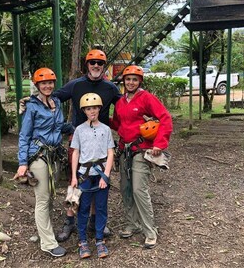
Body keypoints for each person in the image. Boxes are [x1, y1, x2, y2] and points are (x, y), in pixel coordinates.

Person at [52, 49, 121, 242]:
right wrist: (34, 101)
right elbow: (54, 98)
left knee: (97, 180)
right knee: (74, 180)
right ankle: (69, 221)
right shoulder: (76, 85)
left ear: (104, 65)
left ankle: (94, 221)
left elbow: (125, 105)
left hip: (101, 141)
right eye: (93, 62)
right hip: (78, 138)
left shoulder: (110, 88)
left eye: (100, 63)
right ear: (87, 65)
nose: (96, 66)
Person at [110, 65, 173, 249]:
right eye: (128, 79)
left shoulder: (146, 98)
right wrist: (97, 117)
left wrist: (159, 144)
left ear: (140, 82)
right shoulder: (121, 102)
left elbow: (165, 118)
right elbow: (118, 124)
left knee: (139, 190)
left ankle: (150, 230)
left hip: (140, 150)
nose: (131, 82)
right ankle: (133, 223)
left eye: (134, 79)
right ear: (123, 81)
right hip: (124, 150)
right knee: (125, 188)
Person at [13, 67, 67, 257]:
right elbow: (24, 135)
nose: (47, 86)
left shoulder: (57, 102)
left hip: (54, 155)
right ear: (37, 85)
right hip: (39, 155)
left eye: (50, 82)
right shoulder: (32, 106)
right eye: (43, 83)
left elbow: (60, 126)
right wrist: (22, 162)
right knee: (43, 199)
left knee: (50, 196)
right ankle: (48, 243)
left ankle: (45, 232)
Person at [70, 93, 114, 258]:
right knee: (83, 208)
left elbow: (110, 152)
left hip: (101, 173)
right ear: (84, 111)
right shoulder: (79, 130)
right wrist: (74, 176)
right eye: (88, 109)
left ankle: (99, 240)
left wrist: (106, 176)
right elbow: (76, 153)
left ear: (99, 109)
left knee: (101, 208)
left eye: (95, 108)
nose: (92, 111)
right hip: (85, 174)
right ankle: (82, 241)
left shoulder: (106, 129)